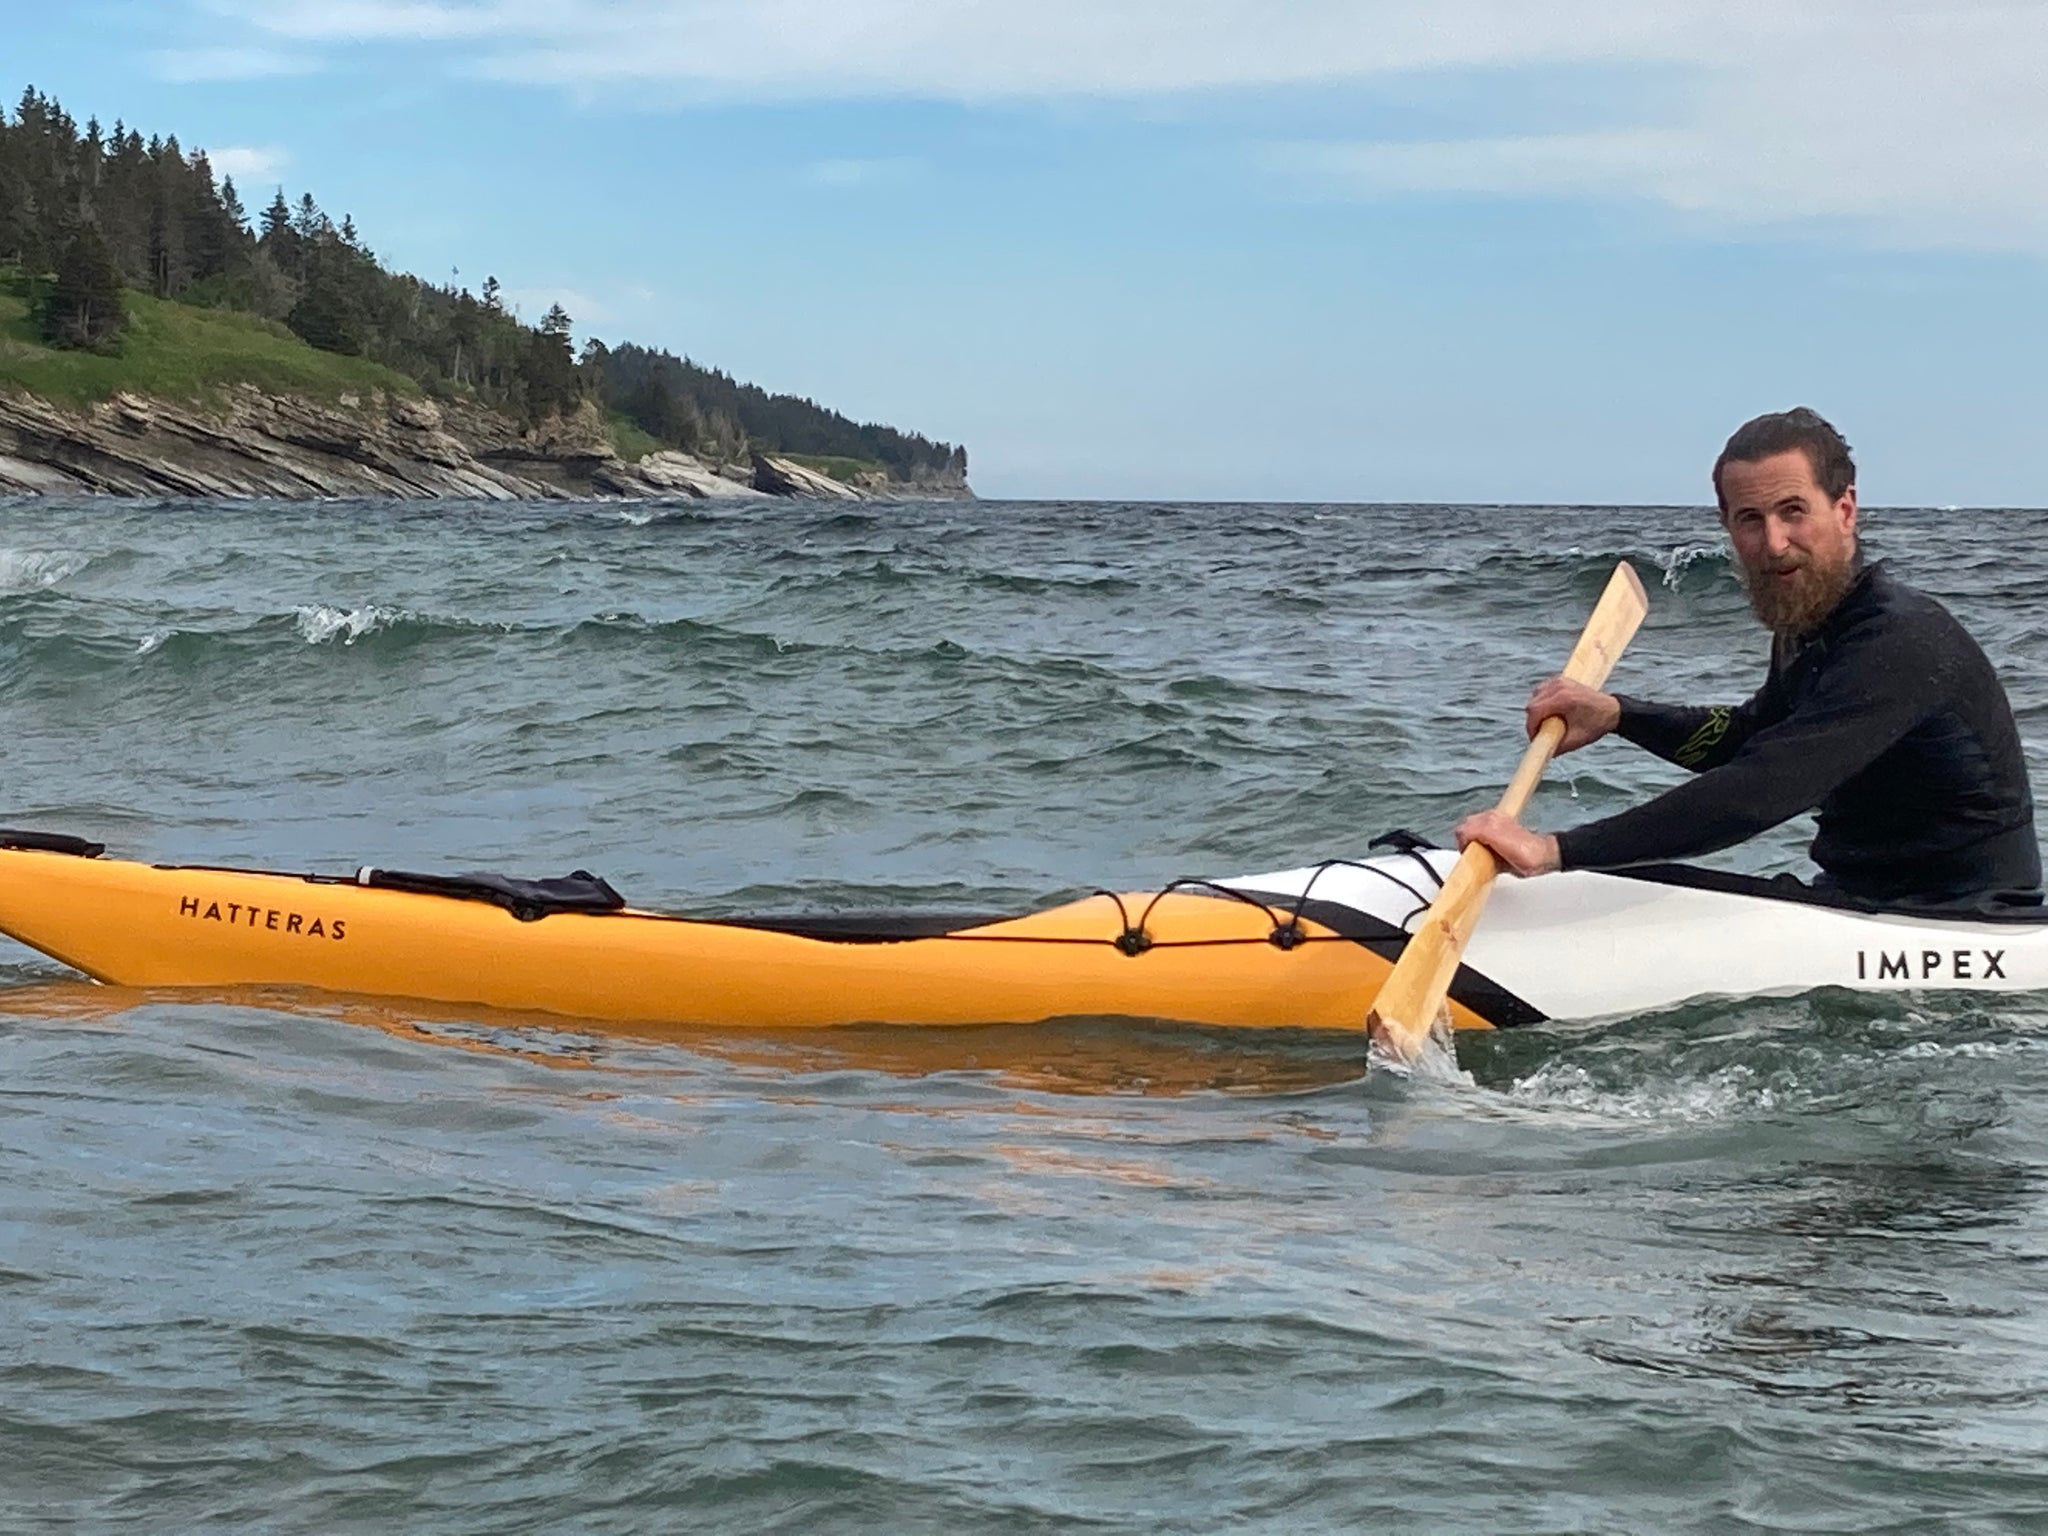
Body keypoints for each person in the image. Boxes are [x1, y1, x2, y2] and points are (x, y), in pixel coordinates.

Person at [1456, 407, 2041, 908]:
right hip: (1852, 900)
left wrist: (1554, 852)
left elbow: (1759, 791)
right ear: (1727, 526)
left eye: (1793, 511)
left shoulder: (1900, 640)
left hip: (1959, 922)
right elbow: (1750, 740)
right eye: (1750, 520)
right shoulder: (1811, 624)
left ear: (1845, 510)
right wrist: (1617, 715)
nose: (1774, 544)